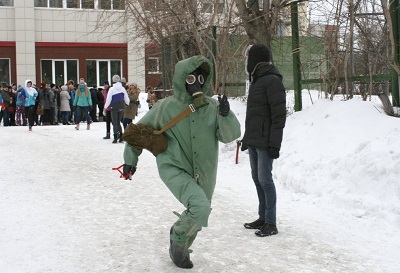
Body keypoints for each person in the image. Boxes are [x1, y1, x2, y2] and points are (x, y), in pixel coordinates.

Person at [122, 55, 241, 269]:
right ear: (181, 79)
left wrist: (226, 115)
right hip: (174, 167)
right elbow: (137, 134)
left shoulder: (212, 106)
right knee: (200, 206)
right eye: (191, 78)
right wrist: (130, 162)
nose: (196, 83)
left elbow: (229, 136)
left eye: (201, 79)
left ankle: (181, 248)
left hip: (205, 170)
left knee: (200, 211)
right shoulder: (166, 107)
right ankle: (177, 236)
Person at [241, 44, 287, 237]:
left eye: (249, 57)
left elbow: (278, 116)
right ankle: (262, 217)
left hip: (266, 142)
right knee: (256, 179)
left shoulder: (272, 81)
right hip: (254, 140)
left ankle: (271, 222)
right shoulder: (257, 80)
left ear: (256, 60)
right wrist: (246, 138)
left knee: (266, 180)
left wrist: (275, 144)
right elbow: (254, 115)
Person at [104, 75, 129, 143]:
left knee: (114, 123)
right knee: (118, 122)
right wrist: (127, 103)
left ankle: (115, 137)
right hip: (121, 107)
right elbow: (126, 99)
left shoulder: (112, 89)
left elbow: (108, 99)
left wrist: (105, 107)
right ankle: (121, 137)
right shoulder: (122, 89)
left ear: (113, 80)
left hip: (114, 107)